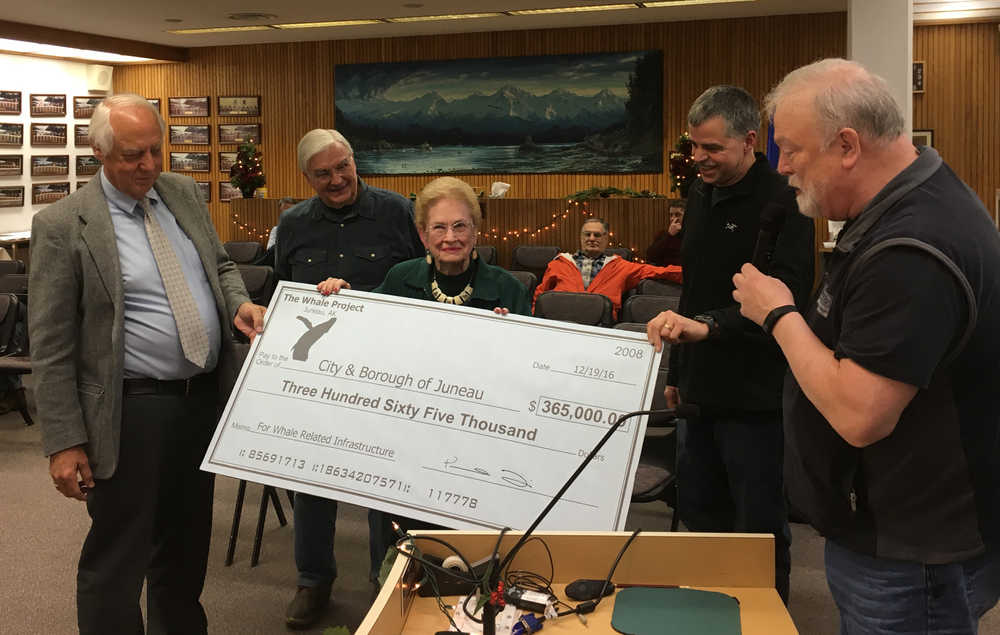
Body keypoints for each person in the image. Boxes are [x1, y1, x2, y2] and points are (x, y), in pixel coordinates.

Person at [727, 58, 1000, 632]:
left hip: (911, 551)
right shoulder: (907, 207)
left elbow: (859, 414)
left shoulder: (911, 246)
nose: (786, 170)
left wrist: (777, 313)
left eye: (793, 150)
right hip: (891, 533)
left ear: (847, 145)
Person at [28, 93, 266, 635]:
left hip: (200, 402)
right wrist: (63, 442)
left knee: (184, 553)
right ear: (99, 152)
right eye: (134, 155)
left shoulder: (180, 193)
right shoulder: (65, 225)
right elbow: (51, 344)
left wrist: (239, 304)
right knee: (118, 559)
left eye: (157, 151)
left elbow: (221, 266)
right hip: (128, 412)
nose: (150, 166)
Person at [645, 85, 815, 604]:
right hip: (699, 391)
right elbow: (691, 291)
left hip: (757, 396)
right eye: (694, 147)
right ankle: (711, 612)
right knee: (702, 515)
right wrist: (677, 373)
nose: (699, 158)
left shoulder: (787, 200)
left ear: (749, 140)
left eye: (712, 148)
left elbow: (789, 294)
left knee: (758, 528)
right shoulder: (699, 193)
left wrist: (711, 328)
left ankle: (767, 617)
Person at [276, 128, 424, 629]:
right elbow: (283, 295)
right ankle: (313, 580)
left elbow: (419, 282)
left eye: (343, 167)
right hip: (316, 374)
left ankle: (388, 579)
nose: (337, 179)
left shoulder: (397, 212)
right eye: (323, 173)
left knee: (384, 480)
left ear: (354, 162)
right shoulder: (293, 222)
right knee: (311, 477)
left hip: (385, 371)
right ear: (307, 177)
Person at [318, 175, 530, 315]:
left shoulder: (510, 290)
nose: (450, 237)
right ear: (423, 235)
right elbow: (365, 320)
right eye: (439, 227)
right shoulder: (399, 279)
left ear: (475, 231)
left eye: (460, 226)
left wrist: (508, 334)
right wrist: (343, 297)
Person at [532, 217, 682, 318]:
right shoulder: (558, 264)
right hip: (560, 325)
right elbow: (539, 298)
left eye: (597, 235)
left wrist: (696, 274)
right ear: (580, 237)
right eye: (587, 234)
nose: (591, 238)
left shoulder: (621, 267)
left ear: (606, 239)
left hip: (601, 330)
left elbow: (660, 272)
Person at [645, 201, 685, 266]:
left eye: (677, 215)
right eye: (671, 215)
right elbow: (650, 256)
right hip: (665, 272)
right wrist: (669, 235)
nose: (672, 218)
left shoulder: (692, 235)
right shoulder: (663, 234)